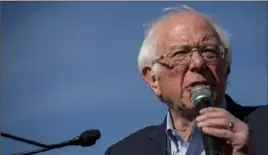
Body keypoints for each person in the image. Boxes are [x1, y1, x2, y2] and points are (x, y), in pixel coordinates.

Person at [105, 6, 268, 155]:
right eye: (180, 53)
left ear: (226, 68)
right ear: (153, 79)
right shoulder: (125, 151)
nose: (198, 63)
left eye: (209, 51)